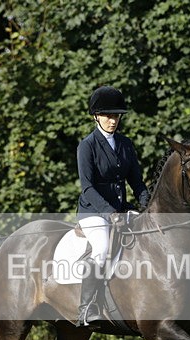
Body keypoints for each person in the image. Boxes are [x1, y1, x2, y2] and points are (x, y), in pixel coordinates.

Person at [76, 85, 150, 326]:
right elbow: (87, 186)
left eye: (116, 116)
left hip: (120, 209)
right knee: (101, 248)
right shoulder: (87, 146)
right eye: (108, 115)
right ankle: (87, 307)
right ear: (96, 116)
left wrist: (146, 204)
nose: (113, 120)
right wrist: (109, 212)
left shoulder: (126, 144)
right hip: (94, 211)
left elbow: (136, 182)